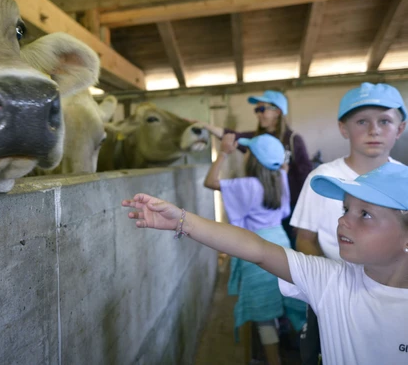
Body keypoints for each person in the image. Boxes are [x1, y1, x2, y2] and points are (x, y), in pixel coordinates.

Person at [123, 162, 408, 365]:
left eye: (365, 214)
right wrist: (183, 221)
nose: (343, 220)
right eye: (346, 208)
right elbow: (257, 249)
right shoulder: (330, 278)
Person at [290, 82, 407, 364]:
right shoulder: (323, 176)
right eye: (362, 121)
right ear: (344, 128)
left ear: (400, 128)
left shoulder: (405, 178)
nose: (374, 130)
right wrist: (334, 285)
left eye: (384, 121)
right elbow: (305, 238)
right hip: (333, 297)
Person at [202, 132, 306, 365]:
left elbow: (209, 182)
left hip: (255, 249)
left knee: (263, 315)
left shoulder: (245, 185)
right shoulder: (280, 177)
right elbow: (284, 207)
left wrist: (223, 154)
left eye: (248, 151)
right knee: (287, 300)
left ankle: (273, 360)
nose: (245, 154)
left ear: (253, 160)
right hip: (282, 245)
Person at [200, 90, 312, 245]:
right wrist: (206, 126)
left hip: (289, 208)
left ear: (277, 111)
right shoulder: (256, 139)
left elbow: (306, 178)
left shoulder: (293, 140)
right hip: (272, 212)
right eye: (256, 110)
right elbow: (232, 136)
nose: (258, 114)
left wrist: (303, 216)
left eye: (262, 109)